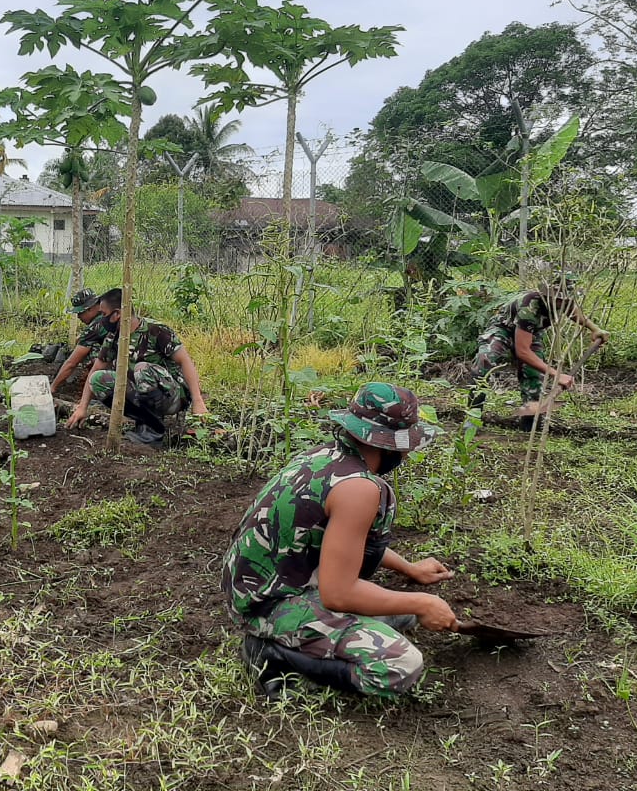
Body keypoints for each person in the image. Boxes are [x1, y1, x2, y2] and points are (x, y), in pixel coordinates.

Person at [223, 382, 456, 699]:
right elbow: (338, 593)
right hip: (268, 604)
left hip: (254, 586)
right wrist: (424, 602)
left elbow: (338, 541)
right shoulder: (359, 489)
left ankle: (297, 637)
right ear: (391, 444)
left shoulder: (325, 458)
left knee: (399, 613)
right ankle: (271, 655)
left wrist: (409, 568)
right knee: (401, 663)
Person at [65, 287, 210, 446]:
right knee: (97, 380)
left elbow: (185, 361)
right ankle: (144, 423)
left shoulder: (156, 330)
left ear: (117, 314)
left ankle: (154, 432)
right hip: (141, 390)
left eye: (104, 315)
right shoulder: (113, 337)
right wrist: (82, 406)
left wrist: (198, 400)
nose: (101, 320)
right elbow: (96, 369)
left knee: (142, 369)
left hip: (172, 395)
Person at [468, 278, 608, 430]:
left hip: (531, 332)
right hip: (504, 329)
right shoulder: (530, 307)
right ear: (546, 295)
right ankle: (472, 418)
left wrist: (594, 328)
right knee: (485, 360)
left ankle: (529, 423)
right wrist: (557, 374)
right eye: (557, 299)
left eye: (565, 300)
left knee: (533, 373)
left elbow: (573, 312)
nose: (561, 304)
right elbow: (523, 352)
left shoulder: (564, 303)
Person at [49, 288, 110, 396]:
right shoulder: (109, 315)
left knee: (91, 349)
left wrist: (53, 387)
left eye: (80, 313)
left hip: (119, 369)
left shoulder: (95, 327)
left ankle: (100, 385)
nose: (78, 317)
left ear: (90, 309)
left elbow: (72, 363)